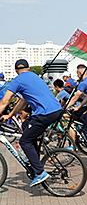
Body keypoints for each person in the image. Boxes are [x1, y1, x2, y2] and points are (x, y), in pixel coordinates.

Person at [0, 59, 62, 187]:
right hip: (56, 111)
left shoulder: (17, 80)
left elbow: (5, 101)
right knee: (26, 126)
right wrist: (10, 115)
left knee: (24, 141)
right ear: (28, 68)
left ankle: (40, 172)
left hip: (44, 114)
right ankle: (34, 161)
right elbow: (23, 102)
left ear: (15, 70)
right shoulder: (34, 76)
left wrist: (4, 110)